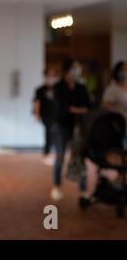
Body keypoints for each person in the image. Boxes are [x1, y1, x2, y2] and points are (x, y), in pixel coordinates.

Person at [50, 60, 90, 202]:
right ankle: (56, 187)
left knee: (80, 157)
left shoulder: (81, 87)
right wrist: (78, 109)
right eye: (75, 68)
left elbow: (88, 105)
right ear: (68, 70)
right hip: (61, 126)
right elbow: (62, 106)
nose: (77, 70)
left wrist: (76, 109)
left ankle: (83, 190)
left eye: (78, 68)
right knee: (60, 157)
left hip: (78, 127)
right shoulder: (58, 87)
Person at [33, 68, 57, 165]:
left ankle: (52, 153)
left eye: (53, 76)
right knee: (48, 133)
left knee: (54, 134)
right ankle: (47, 153)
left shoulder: (57, 89)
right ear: (45, 76)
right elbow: (37, 102)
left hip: (56, 115)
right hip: (46, 115)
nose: (51, 78)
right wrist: (37, 114)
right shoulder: (40, 90)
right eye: (49, 76)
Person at [102, 61, 127, 132]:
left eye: (126, 69)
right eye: (123, 69)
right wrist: (119, 112)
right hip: (120, 123)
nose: (125, 71)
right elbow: (105, 105)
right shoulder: (112, 89)